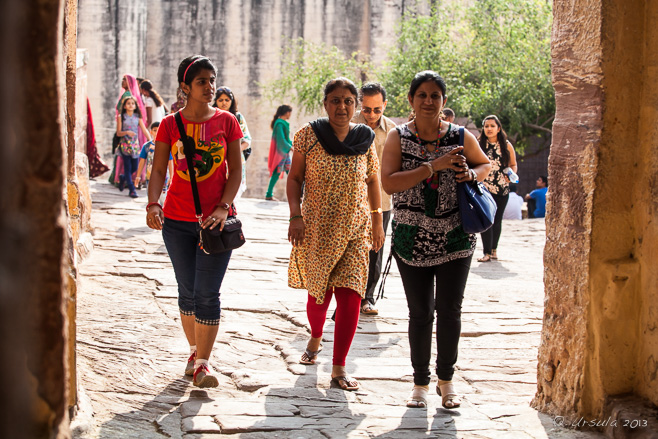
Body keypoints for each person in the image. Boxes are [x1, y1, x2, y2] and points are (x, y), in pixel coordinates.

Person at [380, 71, 491, 409]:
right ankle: (420, 384)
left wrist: (470, 173)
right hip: (411, 239)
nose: (428, 101)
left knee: (450, 311)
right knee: (420, 313)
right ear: (411, 100)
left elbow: (485, 165)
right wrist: (433, 166)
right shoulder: (398, 138)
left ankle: (447, 381)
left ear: (444, 101)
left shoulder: (460, 136)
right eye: (422, 95)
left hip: (456, 238)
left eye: (435, 96)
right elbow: (389, 184)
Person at [145, 55, 243, 388]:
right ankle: (193, 351)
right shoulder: (170, 125)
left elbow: (236, 171)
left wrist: (223, 207)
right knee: (186, 291)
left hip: (215, 223)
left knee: (207, 293)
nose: (210, 86)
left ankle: (203, 363)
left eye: (212, 80)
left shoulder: (227, 122)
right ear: (185, 87)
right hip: (176, 220)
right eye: (202, 81)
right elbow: (159, 169)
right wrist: (153, 204)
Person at [287, 78, 385, 391]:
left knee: (352, 297)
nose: (341, 107)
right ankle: (315, 335)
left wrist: (377, 221)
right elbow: (295, 178)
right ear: (325, 103)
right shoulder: (308, 135)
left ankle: (339, 368)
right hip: (317, 228)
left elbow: (372, 180)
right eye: (334, 100)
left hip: (357, 228)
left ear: (355, 105)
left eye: (347, 101)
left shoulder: (365, 137)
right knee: (319, 296)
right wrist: (295, 216)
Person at [352, 82, 396, 316]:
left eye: (376, 110)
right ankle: (348, 298)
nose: (371, 115)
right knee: (350, 249)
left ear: (384, 106)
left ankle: (367, 298)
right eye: (366, 110)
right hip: (351, 200)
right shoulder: (348, 124)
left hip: (382, 201)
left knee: (375, 249)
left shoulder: (392, 130)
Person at [476, 115, 518, 262]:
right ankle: (486, 252)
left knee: (497, 220)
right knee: (486, 218)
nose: (489, 129)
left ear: (498, 128)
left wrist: (511, 175)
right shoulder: (478, 144)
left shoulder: (506, 145)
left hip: (501, 188)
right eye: (486, 126)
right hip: (484, 188)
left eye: (492, 126)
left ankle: (494, 250)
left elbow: (513, 164)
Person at [110, 74, 148, 188]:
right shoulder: (128, 96)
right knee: (127, 162)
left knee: (131, 162)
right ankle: (130, 185)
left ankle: (123, 178)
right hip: (125, 137)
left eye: (125, 80)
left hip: (132, 140)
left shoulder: (127, 95)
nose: (122, 82)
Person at [213, 87, 252, 198]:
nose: (224, 103)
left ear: (232, 101)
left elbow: (247, 140)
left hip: (234, 159)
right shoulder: (211, 116)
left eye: (227, 100)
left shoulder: (238, 117)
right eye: (220, 100)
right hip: (215, 157)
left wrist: (232, 152)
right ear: (216, 101)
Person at [116, 96, 151, 198]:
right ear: (125, 106)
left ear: (135, 106)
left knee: (135, 167)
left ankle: (123, 178)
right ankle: (132, 190)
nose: (131, 105)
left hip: (135, 145)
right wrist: (127, 132)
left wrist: (150, 140)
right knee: (127, 167)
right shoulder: (121, 117)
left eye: (132, 103)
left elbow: (144, 129)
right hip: (125, 144)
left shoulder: (137, 117)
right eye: (128, 103)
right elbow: (118, 133)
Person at [134, 122, 174, 192]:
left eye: (159, 130)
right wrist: (138, 176)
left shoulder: (166, 146)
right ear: (151, 132)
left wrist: (171, 177)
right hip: (150, 177)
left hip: (163, 177)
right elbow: (142, 161)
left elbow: (170, 161)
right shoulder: (146, 146)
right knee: (151, 198)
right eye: (155, 130)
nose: (157, 133)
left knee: (163, 199)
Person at [266, 105, 293, 201]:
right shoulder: (280, 124)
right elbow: (281, 139)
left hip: (284, 153)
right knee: (286, 173)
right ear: (286, 112)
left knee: (289, 173)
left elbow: (286, 139)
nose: (290, 114)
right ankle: (297, 195)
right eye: (289, 112)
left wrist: (292, 145)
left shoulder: (282, 123)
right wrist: (290, 147)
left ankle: (269, 194)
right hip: (281, 153)